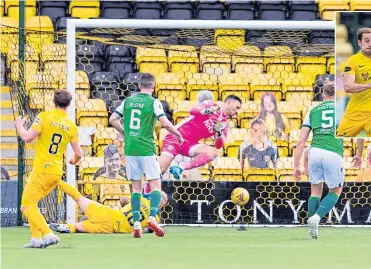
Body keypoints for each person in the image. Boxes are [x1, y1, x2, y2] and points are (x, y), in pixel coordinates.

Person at [109, 73, 182, 238]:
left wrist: (126, 132)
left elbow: (113, 118)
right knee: (156, 186)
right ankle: (152, 218)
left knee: (136, 188)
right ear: (153, 86)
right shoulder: (154, 102)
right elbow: (165, 123)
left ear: (139, 86)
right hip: (146, 148)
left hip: (130, 148)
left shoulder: (127, 101)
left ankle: (136, 224)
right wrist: (178, 134)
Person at [14, 89, 82, 248]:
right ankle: (36, 239)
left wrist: (19, 126)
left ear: (54, 101)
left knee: (26, 205)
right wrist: (73, 160)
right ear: (69, 104)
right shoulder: (71, 126)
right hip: (56, 172)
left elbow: (27, 138)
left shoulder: (44, 117)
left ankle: (48, 234)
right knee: (33, 202)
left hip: (42, 168)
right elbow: (79, 153)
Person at [293, 83, 344, 239]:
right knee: (336, 190)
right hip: (333, 152)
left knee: (315, 191)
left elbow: (301, 141)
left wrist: (296, 165)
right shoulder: (344, 109)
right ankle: (317, 217)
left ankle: (311, 228)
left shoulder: (312, 111)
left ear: (323, 95)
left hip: (314, 152)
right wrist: (358, 154)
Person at [164, 95, 242, 180]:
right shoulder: (211, 105)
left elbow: (219, 146)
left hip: (190, 145)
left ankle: (180, 168)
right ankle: (149, 190)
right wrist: (207, 111)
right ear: (229, 102)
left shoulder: (224, 124)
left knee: (213, 153)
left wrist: (219, 133)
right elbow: (193, 111)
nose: (237, 111)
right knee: (162, 169)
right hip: (178, 136)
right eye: (237, 107)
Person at [49, 180, 167, 234]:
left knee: (79, 198)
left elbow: (123, 200)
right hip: (111, 228)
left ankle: (57, 181)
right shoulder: (155, 220)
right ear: (160, 206)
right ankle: (66, 227)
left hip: (108, 213)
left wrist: (125, 205)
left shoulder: (139, 198)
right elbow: (149, 230)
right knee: (78, 226)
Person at [337, 28, 371, 137]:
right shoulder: (353, 61)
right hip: (356, 111)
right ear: (359, 42)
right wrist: (368, 85)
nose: (370, 44)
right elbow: (347, 86)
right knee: (340, 139)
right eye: (367, 40)